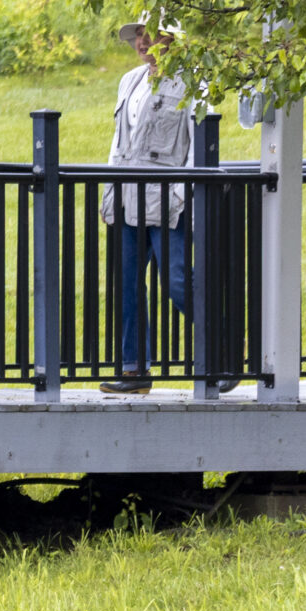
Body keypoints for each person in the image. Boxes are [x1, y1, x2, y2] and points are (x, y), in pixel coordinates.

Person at [101, 21, 197, 396]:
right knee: (126, 284)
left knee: (176, 281)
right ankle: (134, 370)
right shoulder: (129, 80)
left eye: (152, 33)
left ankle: (223, 349)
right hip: (127, 198)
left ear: (172, 39)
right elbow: (119, 143)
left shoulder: (193, 83)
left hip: (169, 200)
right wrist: (109, 192)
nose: (142, 41)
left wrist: (182, 195)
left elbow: (198, 146)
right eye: (139, 35)